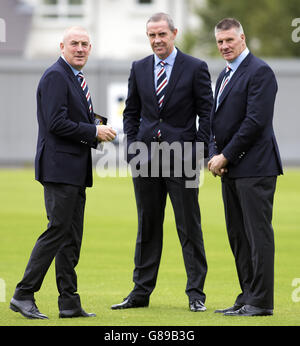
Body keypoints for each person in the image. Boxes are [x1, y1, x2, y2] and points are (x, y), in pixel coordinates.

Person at [10, 26, 116, 319]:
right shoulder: (56, 75)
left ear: (90, 48)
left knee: (71, 237)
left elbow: (69, 119)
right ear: (62, 46)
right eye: (74, 44)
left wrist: (93, 130)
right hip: (59, 169)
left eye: (84, 44)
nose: (80, 48)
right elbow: (56, 123)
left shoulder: (74, 77)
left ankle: (69, 302)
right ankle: (23, 294)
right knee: (58, 230)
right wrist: (94, 130)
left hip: (73, 169)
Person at [111, 13, 213, 312]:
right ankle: (140, 293)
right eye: (152, 35)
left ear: (174, 33)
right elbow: (130, 112)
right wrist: (132, 147)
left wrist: (198, 149)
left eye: (161, 35)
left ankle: (196, 294)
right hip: (145, 158)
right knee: (148, 226)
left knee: (188, 227)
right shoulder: (139, 68)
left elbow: (207, 113)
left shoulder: (195, 68)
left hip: (182, 158)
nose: (156, 40)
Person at [208, 18, 283, 316]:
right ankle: (247, 295)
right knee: (238, 236)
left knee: (257, 235)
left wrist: (224, 156)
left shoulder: (260, 72)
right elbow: (216, 122)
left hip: (256, 168)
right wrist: (216, 153)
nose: (225, 46)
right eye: (220, 42)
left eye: (229, 40)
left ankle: (261, 302)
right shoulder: (223, 75)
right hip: (231, 169)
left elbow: (255, 123)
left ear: (242, 38)